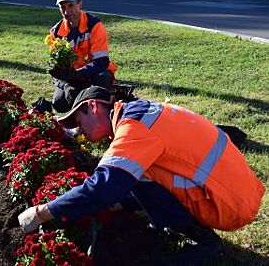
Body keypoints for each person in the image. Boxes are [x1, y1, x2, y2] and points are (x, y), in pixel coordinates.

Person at [18, 86, 265, 265]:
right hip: (237, 189)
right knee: (134, 169)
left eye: (78, 120)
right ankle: (184, 225)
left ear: (93, 107)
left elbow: (104, 187)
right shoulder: (141, 112)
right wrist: (122, 203)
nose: (78, 129)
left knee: (127, 173)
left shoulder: (134, 128)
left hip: (229, 205)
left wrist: (42, 212)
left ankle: (203, 242)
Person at [49, 0, 118, 113]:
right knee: (59, 104)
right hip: (72, 77)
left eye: (70, 5)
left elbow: (102, 61)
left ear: (80, 4)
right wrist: (65, 85)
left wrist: (78, 74)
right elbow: (55, 71)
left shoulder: (94, 25)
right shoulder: (56, 32)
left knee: (103, 78)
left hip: (95, 73)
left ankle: (107, 108)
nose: (66, 12)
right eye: (62, 7)